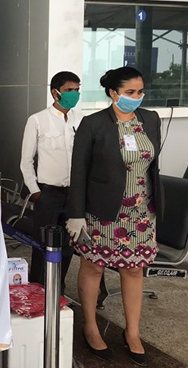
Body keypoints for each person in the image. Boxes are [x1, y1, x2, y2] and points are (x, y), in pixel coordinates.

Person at [67, 66, 161, 366]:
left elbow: (151, 166)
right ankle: (91, 326)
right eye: (130, 92)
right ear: (113, 93)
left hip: (141, 213)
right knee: (93, 267)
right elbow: (78, 172)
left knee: (134, 270)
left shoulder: (151, 120)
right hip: (102, 213)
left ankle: (132, 333)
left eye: (140, 91)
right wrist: (76, 214)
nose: (137, 97)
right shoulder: (94, 124)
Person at [20, 71, 82, 294]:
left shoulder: (81, 119)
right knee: (43, 245)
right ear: (55, 92)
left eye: (77, 89)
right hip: (48, 194)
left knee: (67, 247)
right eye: (69, 90)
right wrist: (36, 192)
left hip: (74, 194)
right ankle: (39, 289)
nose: (74, 94)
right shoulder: (37, 120)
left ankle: (59, 290)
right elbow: (26, 161)